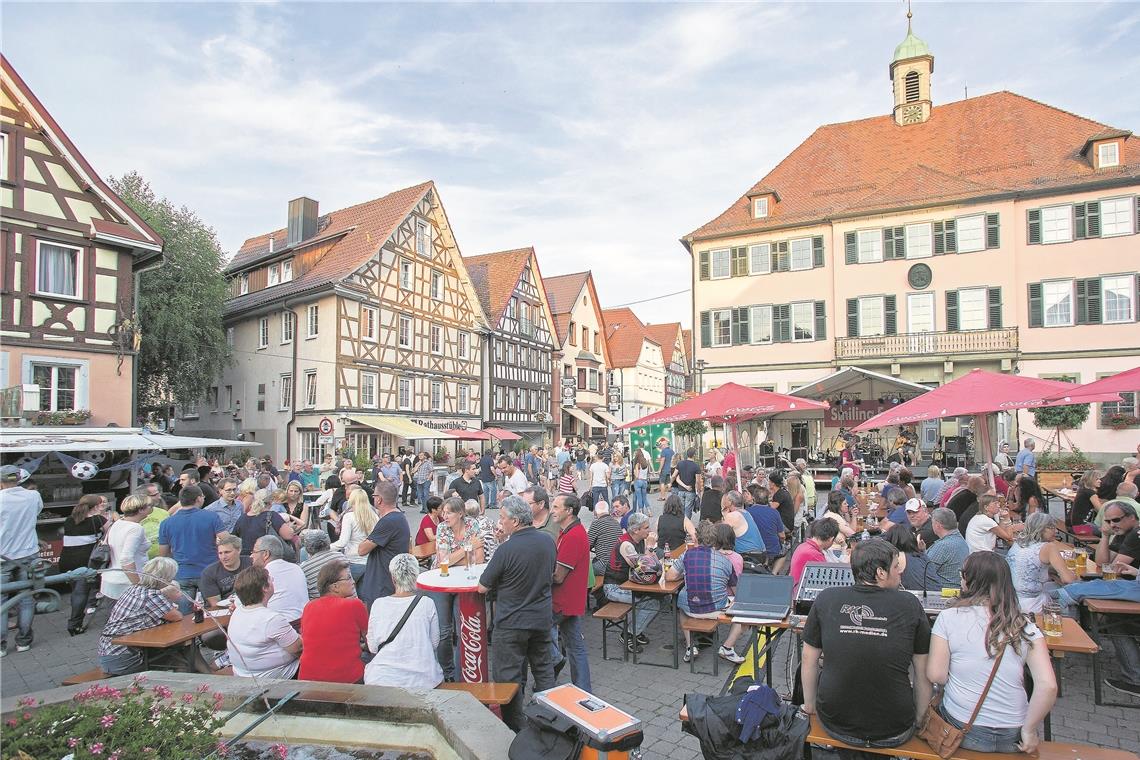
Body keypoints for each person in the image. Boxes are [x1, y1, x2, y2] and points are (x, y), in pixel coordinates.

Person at [802, 539, 932, 760]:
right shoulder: (910, 604)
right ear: (881, 573)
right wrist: (920, 718)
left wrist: (810, 705)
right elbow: (922, 672)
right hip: (894, 726)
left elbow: (808, 660)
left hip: (835, 720)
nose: (900, 573)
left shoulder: (826, 599)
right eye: (895, 568)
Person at [927, 552, 1057, 754]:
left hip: (962, 726)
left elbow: (936, 675)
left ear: (970, 581)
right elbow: (1048, 686)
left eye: (963, 574)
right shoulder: (1026, 626)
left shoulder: (948, 617)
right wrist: (1029, 729)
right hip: (1013, 732)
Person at [477, 496, 557, 731]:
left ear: (514, 520)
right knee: (543, 670)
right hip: (541, 618)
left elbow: (483, 586)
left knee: (508, 677)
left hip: (512, 622)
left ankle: (514, 728)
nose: (500, 522)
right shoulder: (548, 541)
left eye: (502, 518)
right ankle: (550, 719)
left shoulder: (507, 549)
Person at [663, 520, 747, 665]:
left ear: (696, 537)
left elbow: (669, 577)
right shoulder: (726, 561)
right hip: (717, 610)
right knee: (742, 612)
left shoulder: (687, 555)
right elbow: (736, 591)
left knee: (681, 605)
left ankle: (691, 647)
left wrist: (686, 573)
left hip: (691, 609)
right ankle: (727, 647)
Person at [363, 553, 442, 688]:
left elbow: (373, 647)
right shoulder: (427, 603)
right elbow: (434, 643)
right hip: (424, 680)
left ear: (393, 578)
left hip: (381, 679)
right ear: (416, 577)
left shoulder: (378, 604)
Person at [430, 497, 486, 681]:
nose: (444, 516)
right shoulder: (442, 528)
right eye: (443, 512)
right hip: (442, 582)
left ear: (461, 513)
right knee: (444, 630)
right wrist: (466, 550)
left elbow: (478, 561)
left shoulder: (472, 524)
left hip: (464, 582)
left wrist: (452, 559)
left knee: (463, 628)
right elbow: (442, 562)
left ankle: (461, 672)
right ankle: (447, 671)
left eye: (449, 512)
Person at [97, 557, 183, 675]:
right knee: (181, 657)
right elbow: (177, 617)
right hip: (123, 659)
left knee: (179, 653)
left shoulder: (134, 589)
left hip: (109, 652)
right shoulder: (151, 595)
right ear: (166, 578)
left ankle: (207, 674)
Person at [226, 565, 303, 679]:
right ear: (265, 588)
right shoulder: (271, 619)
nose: (272, 580)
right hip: (272, 677)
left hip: (242, 673)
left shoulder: (238, 612)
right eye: (269, 579)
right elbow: (298, 649)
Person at [299, 560, 369, 683]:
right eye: (348, 578)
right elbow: (371, 643)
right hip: (346, 679)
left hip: (308, 678)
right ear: (334, 586)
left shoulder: (308, 607)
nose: (353, 581)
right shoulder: (354, 605)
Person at [157, 485, 224, 611]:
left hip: (181, 573)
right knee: (215, 612)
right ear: (198, 499)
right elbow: (227, 539)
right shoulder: (211, 517)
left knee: (184, 615)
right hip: (208, 571)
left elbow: (163, 554)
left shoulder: (166, 523)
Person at [602, 511, 660, 654]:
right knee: (651, 602)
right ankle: (628, 634)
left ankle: (636, 630)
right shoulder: (626, 544)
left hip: (629, 584)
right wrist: (650, 547)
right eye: (646, 528)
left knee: (661, 598)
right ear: (636, 530)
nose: (650, 530)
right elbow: (644, 569)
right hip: (614, 587)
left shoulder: (639, 541)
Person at [550, 493, 592, 691]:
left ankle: (554, 662)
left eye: (556, 507)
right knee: (575, 645)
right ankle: (583, 689)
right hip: (570, 601)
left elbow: (558, 576)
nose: (552, 510)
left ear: (569, 511)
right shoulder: (569, 531)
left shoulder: (574, 535)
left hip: (562, 601)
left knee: (535, 634)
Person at [1005, 512, 1077, 612]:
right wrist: (1073, 574)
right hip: (1032, 604)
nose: (1056, 531)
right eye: (1052, 528)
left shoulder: (1018, 543)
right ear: (1041, 528)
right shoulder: (1048, 547)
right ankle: (1074, 625)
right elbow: (1068, 579)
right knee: (1071, 596)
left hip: (1010, 600)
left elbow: (1030, 566)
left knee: (1051, 586)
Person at [357, 482, 411, 609]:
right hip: (389, 579)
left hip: (382, 583)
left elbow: (362, 550)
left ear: (379, 499)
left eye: (374, 495)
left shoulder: (388, 521)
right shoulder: (398, 517)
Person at [60, 494, 109, 635]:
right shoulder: (99, 519)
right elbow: (109, 535)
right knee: (81, 592)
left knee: (75, 590)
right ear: (95, 506)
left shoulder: (69, 520)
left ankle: (76, 619)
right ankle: (74, 623)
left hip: (66, 558)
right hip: (85, 559)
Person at [101, 494, 154, 603]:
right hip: (127, 582)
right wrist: (138, 586)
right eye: (150, 505)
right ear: (140, 510)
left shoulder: (117, 523)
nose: (152, 507)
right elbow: (126, 559)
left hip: (111, 578)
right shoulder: (135, 528)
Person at [251, 534, 308, 621]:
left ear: (266, 554)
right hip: (304, 621)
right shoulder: (297, 568)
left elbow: (244, 603)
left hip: (279, 625)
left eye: (254, 552)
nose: (251, 556)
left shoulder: (262, 575)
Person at [331, 488, 376, 580]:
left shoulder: (349, 517)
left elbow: (343, 542)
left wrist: (326, 548)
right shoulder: (374, 516)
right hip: (370, 561)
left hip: (353, 560)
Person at [233, 491, 295, 557]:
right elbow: (289, 535)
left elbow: (234, 538)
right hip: (267, 557)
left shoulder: (242, 518)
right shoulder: (272, 516)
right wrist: (290, 527)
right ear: (271, 502)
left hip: (246, 558)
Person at [883, 524, 938, 592]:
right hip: (938, 595)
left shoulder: (898, 557)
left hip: (919, 597)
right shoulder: (922, 555)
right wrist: (921, 550)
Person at [200, 534, 251, 606]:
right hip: (224, 609)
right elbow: (215, 604)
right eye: (220, 553)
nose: (223, 557)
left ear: (239, 550)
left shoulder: (251, 563)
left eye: (227, 552)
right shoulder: (209, 573)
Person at [790, 519, 840, 592]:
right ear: (831, 539)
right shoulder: (814, 554)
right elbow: (829, 579)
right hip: (800, 593)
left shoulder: (803, 546)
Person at [747, 484, 788, 572]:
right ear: (768, 499)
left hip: (752, 549)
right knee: (784, 553)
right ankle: (774, 573)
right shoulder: (774, 512)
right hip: (771, 549)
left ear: (754, 498)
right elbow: (782, 535)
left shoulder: (747, 512)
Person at [1094, 500, 1140, 570]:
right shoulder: (1123, 530)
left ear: (1132, 517)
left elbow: (1114, 569)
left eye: (1116, 520)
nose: (1112, 525)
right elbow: (1102, 564)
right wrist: (1105, 535)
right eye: (1108, 521)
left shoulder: (1136, 534)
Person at [721, 491, 765, 556]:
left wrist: (724, 513)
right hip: (761, 552)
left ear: (730, 502)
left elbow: (721, 535)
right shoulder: (746, 513)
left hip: (748, 555)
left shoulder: (733, 515)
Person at [300, 530, 341, 599]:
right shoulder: (340, 556)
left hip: (320, 605)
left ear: (307, 547)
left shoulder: (304, 568)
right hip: (344, 600)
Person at [588, 500, 622, 577]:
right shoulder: (616, 522)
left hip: (604, 565)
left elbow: (587, 545)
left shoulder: (596, 523)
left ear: (595, 512)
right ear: (609, 511)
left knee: (582, 569)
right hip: (617, 564)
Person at [672, 448, 703, 519]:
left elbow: (674, 475)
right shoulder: (696, 466)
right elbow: (698, 481)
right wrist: (698, 491)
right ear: (694, 455)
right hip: (690, 491)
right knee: (688, 510)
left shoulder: (680, 463)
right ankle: (686, 525)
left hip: (680, 490)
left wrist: (670, 483)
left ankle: (681, 524)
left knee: (681, 509)